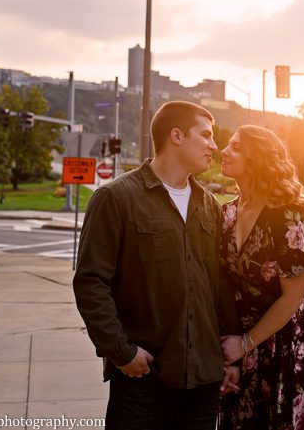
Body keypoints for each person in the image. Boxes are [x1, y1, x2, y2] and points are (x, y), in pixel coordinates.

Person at [73, 101, 240, 430]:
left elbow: (220, 284)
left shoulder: (209, 206)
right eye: (205, 135)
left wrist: (232, 351)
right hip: (143, 378)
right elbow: (91, 283)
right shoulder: (116, 198)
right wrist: (121, 352)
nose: (213, 146)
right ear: (176, 136)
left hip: (204, 381)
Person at [218, 125, 304, 430]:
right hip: (239, 339)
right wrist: (233, 353)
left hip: (284, 340)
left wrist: (245, 344)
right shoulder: (227, 213)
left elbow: (294, 296)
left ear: (258, 158)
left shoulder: (286, 212)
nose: (224, 151)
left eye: (236, 147)